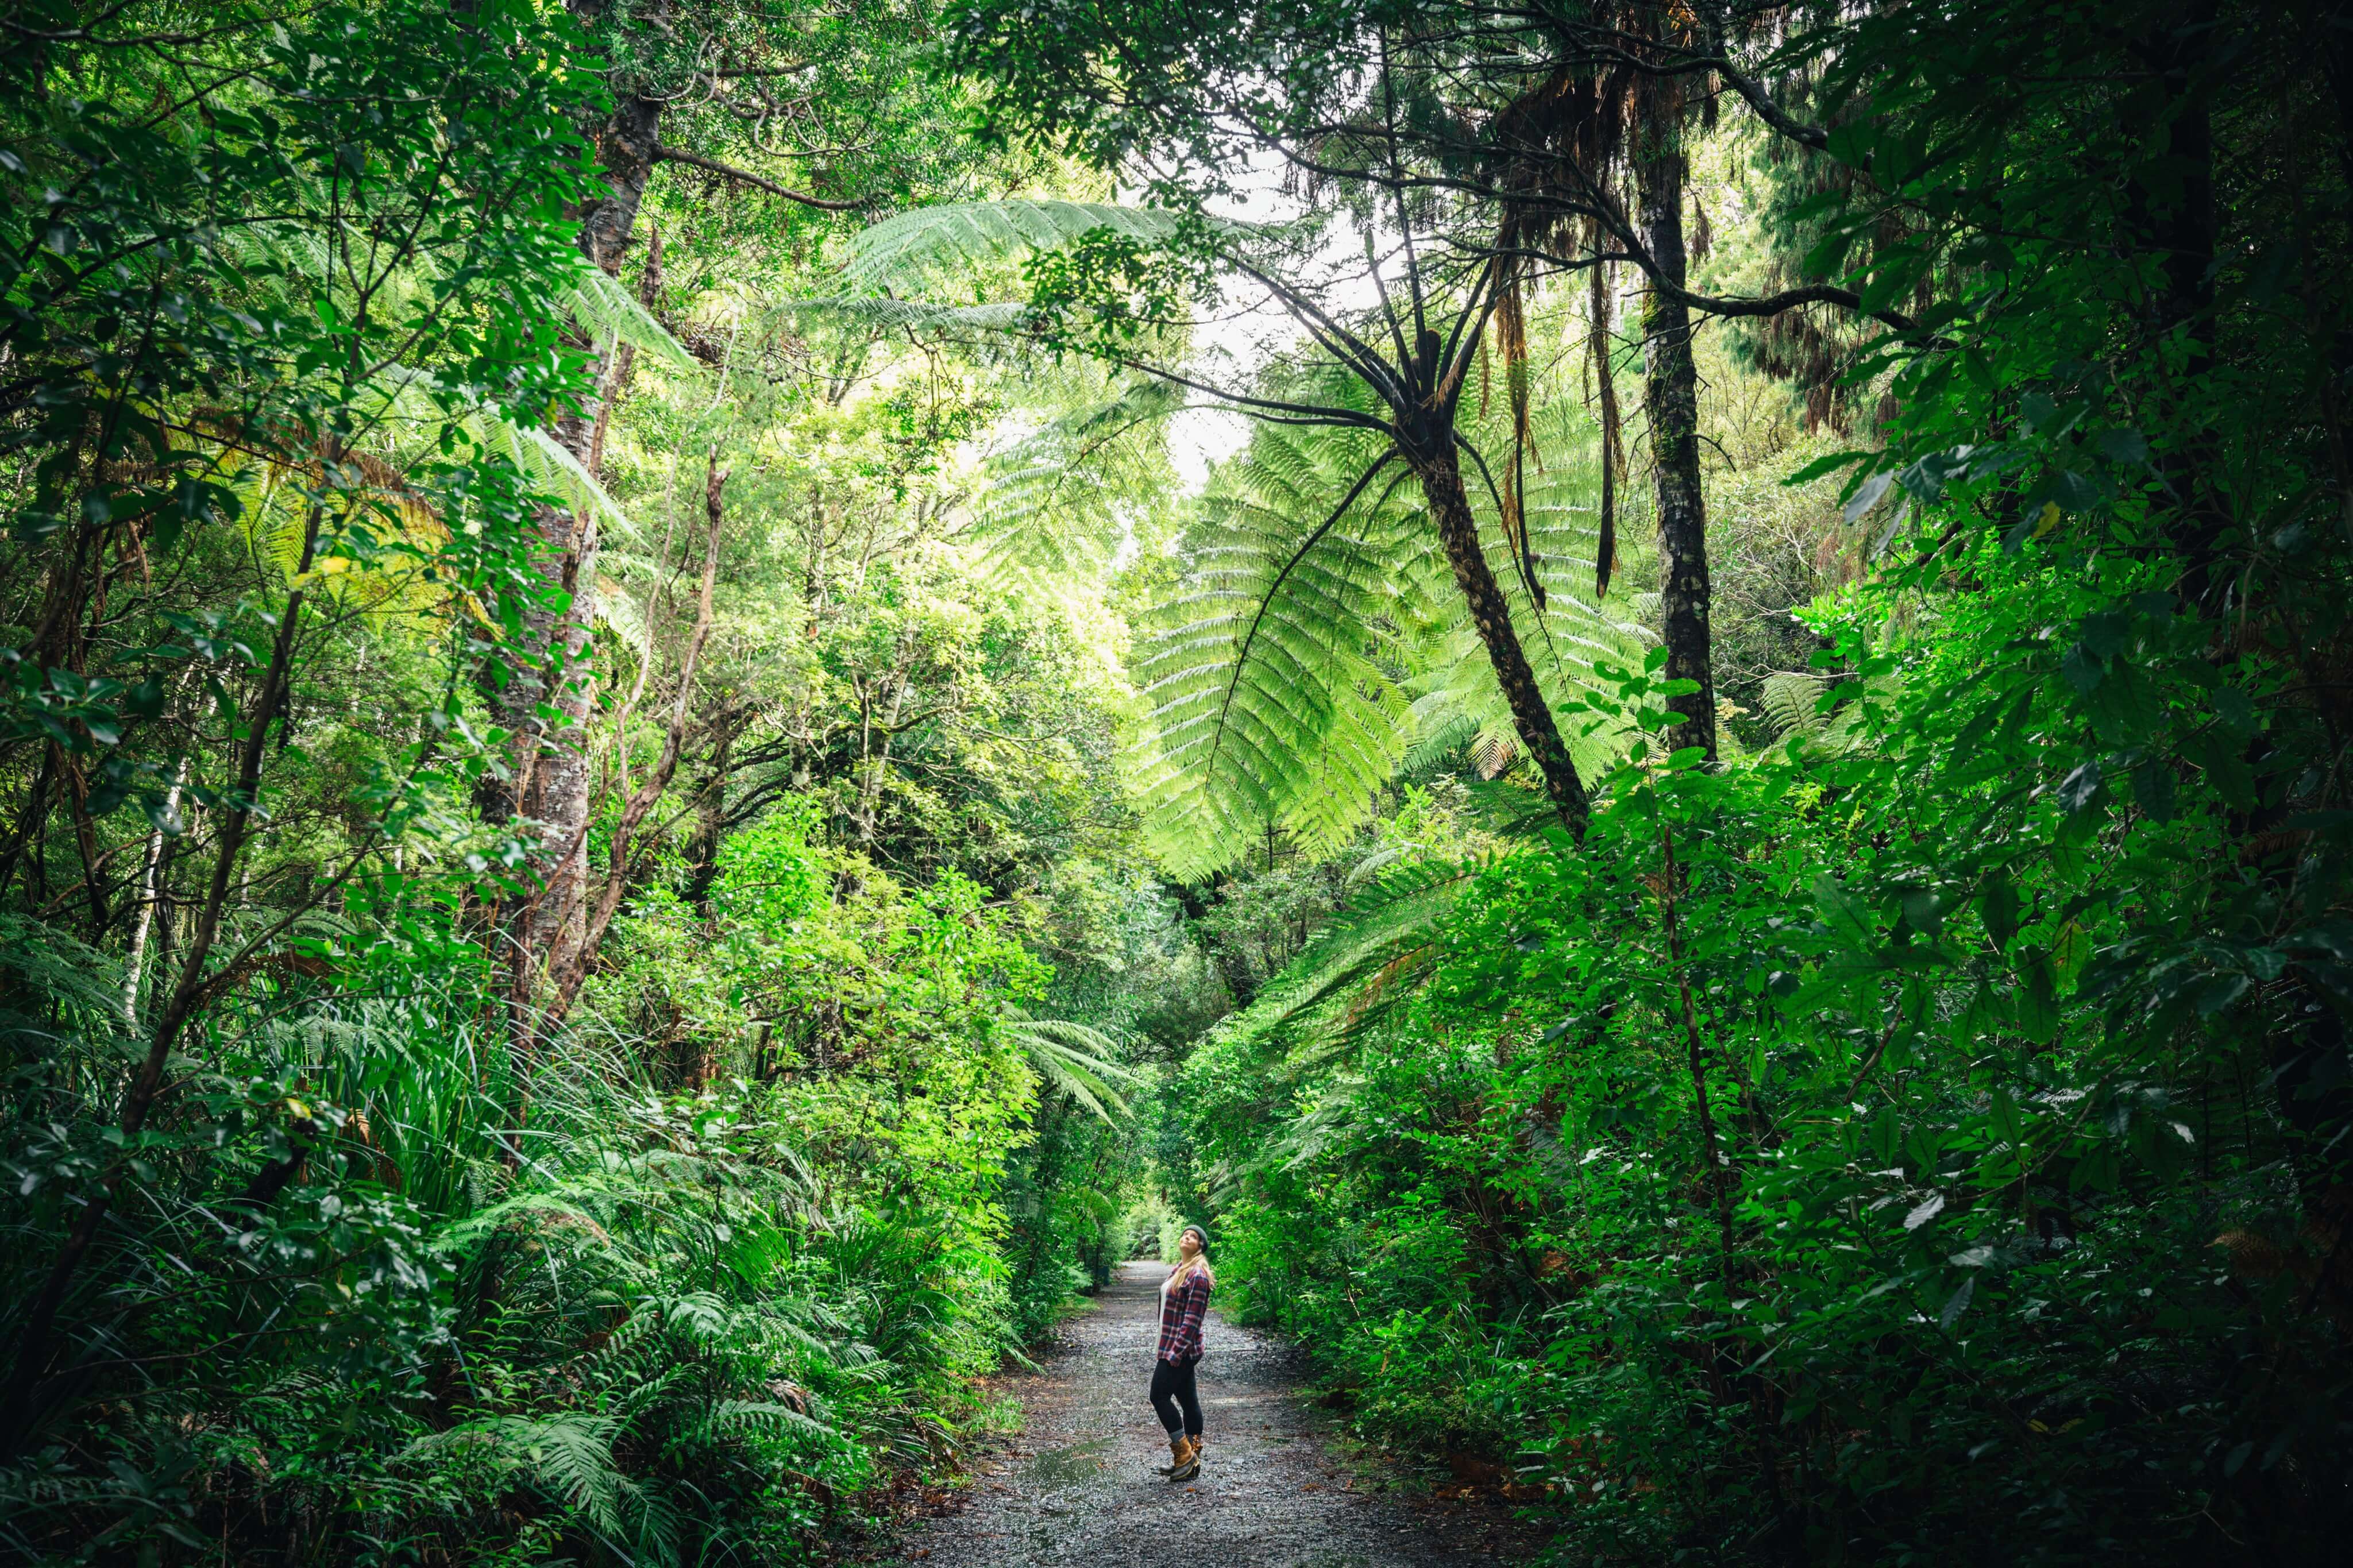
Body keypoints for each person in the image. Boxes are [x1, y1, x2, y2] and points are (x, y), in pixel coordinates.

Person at [1151, 1224, 1213, 1481]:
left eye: (1194, 1237)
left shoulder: (1197, 1274)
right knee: (1189, 1403)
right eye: (1185, 1234)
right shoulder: (1179, 1270)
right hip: (1171, 1345)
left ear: (1200, 1246)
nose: (1187, 1237)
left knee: (1159, 1396)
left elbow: (1192, 1320)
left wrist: (1175, 1353)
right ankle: (1193, 1460)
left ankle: (1184, 1454)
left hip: (1181, 1350)